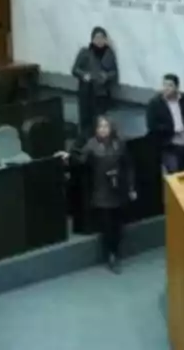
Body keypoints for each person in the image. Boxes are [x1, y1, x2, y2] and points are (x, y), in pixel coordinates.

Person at [57, 115, 134, 273]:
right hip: (101, 191)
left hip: (118, 190)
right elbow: (80, 160)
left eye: (105, 126)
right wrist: (67, 158)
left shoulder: (119, 144)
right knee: (107, 226)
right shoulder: (92, 144)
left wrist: (131, 188)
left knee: (118, 225)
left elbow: (128, 166)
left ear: (111, 128)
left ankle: (116, 250)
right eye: (100, 127)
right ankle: (110, 255)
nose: (103, 129)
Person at [145, 73, 184, 173]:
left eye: (170, 85)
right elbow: (152, 126)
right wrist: (172, 130)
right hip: (168, 145)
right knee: (174, 171)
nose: (166, 88)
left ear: (177, 87)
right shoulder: (155, 104)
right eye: (164, 85)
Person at [72, 27, 119, 137]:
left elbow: (114, 73)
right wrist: (84, 75)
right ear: (92, 39)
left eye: (102, 37)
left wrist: (106, 76)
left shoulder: (109, 54)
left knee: (99, 122)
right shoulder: (85, 52)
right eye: (97, 38)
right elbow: (75, 70)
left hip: (101, 94)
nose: (99, 40)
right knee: (85, 121)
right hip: (86, 93)